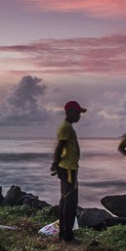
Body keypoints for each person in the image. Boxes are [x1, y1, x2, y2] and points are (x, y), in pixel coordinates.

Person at [50, 100, 86, 242]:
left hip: (68, 167)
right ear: (70, 112)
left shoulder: (68, 127)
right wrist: (56, 164)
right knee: (70, 202)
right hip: (69, 169)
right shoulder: (66, 128)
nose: (79, 116)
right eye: (77, 113)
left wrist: (56, 164)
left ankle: (63, 233)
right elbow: (60, 147)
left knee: (65, 200)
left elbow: (61, 148)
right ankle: (67, 236)